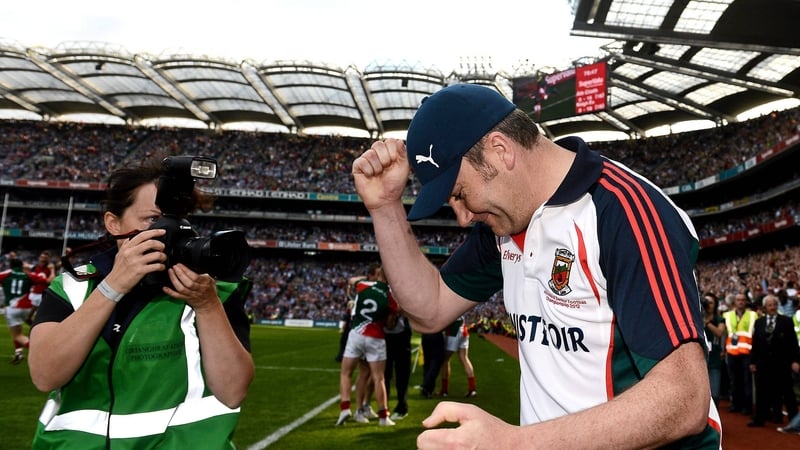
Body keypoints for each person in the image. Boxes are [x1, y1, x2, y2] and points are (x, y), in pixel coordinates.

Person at [352, 83, 721, 448]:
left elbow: (684, 397)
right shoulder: (504, 225)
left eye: (460, 194)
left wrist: (514, 443)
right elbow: (429, 310)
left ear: (500, 150)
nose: (463, 217)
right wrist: (384, 207)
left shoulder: (625, 212)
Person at [28, 157, 255, 448]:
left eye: (179, 218)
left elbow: (233, 391)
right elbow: (45, 375)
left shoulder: (213, 289)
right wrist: (112, 287)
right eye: (153, 219)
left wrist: (207, 305)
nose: (169, 229)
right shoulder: (74, 286)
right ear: (113, 223)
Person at [336, 263, 397, 427]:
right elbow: (390, 324)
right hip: (375, 337)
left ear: (378, 276)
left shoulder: (363, 285)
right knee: (379, 378)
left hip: (356, 334)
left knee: (346, 373)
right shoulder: (391, 297)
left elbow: (352, 281)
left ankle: (345, 408)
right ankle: (383, 416)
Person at [748, 294, 800, 427]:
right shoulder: (759, 322)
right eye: (770, 305)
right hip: (763, 364)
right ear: (765, 307)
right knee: (762, 392)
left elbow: (793, 343)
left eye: (774, 305)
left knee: (788, 393)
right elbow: (755, 344)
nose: (772, 307)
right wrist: (753, 362)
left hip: (782, 363)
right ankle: (759, 419)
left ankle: (794, 422)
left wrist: (795, 361)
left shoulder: (787, 321)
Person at [1, 257, 48, 364]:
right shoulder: (28, 275)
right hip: (27, 308)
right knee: (19, 331)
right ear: (22, 265)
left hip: (12, 308)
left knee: (17, 335)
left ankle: (42, 351)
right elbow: (44, 281)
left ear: (11, 266)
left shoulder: (6, 275)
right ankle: (19, 352)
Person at [724, 292, 759, 415]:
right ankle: (735, 404)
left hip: (747, 352)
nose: (741, 302)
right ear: (735, 302)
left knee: (746, 380)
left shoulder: (753, 315)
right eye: (738, 300)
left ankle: (747, 406)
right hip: (732, 352)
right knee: (734, 380)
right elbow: (725, 334)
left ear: (746, 302)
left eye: (743, 300)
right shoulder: (727, 315)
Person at [384, 309, 412, 420]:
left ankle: (402, 407)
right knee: (385, 374)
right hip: (386, 336)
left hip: (401, 336)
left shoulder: (404, 293)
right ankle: (384, 408)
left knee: (402, 374)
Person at [439, 315, 477, 398]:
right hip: (463, 328)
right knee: (464, 358)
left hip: (454, 329)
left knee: (445, 360)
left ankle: (444, 390)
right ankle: (472, 388)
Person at [703, 293, 726, 406]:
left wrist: (707, 323)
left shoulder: (719, 319)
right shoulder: (696, 319)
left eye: (711, 302)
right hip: (700, 360)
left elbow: (719, 332)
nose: (708, 305)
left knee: (715, 394)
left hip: (714, 360)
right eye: (706, 302)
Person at [27, 250, 57, 322]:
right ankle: (30, 320)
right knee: (34, 308)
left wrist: (52, 270)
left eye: (45, 258)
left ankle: (34, 321)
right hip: (35, 291)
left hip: (45, 292)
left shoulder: (50, 268)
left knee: (44, 310)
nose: (43, 259)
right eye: (42, 257)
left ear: (48, 259)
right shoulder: (35, 267)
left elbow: (51, 280)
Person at [419, 330, 445, 399]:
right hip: (435, 334)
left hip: (425, 334)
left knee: (428, 362)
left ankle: (427, 386)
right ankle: (427, 386)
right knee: (436, 361)